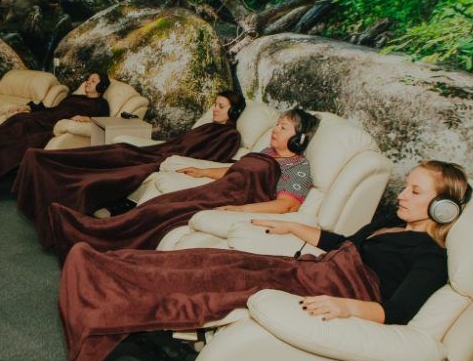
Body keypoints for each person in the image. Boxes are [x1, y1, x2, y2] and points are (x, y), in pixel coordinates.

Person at [58, 160, 470, 361]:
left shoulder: (432, 257)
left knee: (216, 283)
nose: (402, 194)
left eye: (415, 191)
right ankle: (101, 264)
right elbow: (344, 241)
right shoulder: (392, 224)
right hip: (314, 268)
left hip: (336, 286)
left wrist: (346, 307)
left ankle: (105, 307)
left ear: (443, 208)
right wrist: (292, 227)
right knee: (211, 260)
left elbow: (397, 312)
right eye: (406, 186)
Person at [37, 108, 320, 260]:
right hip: (214, 190)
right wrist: (201, 172)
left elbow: (285, 205)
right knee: (157, 204)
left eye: (283, 127)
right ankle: (88, 231)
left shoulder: (298, 167)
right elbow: (234, 171)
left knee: (158, 213)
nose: (275, 129)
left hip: (230, 200)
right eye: (277, 124)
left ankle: (90, 239)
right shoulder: (267, 152)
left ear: (298, 139)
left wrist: (239, 209)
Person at [13, 91, 244, 223]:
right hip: (156, 150)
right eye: (215, 105)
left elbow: (207, 157)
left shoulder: (230, 136)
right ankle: (44, 160)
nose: (215, 109)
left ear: (233, 111)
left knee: (116, 157)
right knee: (117, 149)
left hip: (161, 158)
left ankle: (51, 168)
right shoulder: (208, 126)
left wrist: (166, 159)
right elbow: (178, 142)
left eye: (220, 106)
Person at [0, 72, 112, 187]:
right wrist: (27, 107)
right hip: (43, 117)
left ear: (102, 85)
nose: (88, 82)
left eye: (93, 81)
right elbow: (51, 109)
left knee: (18, 132)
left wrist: (87, 119)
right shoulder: (75, 97)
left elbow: (104, 122)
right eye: (88, 79)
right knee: (16, 122)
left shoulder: (101, 104)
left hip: (51, 126)